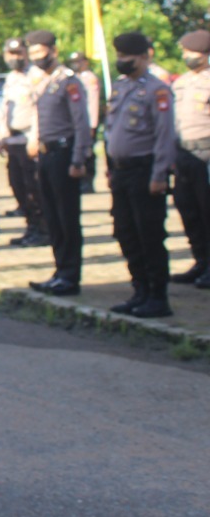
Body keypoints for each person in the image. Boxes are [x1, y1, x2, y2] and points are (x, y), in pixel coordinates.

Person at [103, 32, 176, 317]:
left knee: (149, 234)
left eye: (127, 56)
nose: (122, 61)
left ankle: (158, 297)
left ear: (145, 57)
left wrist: (159, 175)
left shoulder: (158, 90)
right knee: (126, 232)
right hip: (121, 172)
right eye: (119, 55)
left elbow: (164, 136)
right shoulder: (120, 87)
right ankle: (140, 290)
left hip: (145, 172)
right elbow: (111, 131)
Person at [26, 30, 92, 296]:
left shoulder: (69, 82)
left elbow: (81, 123)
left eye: (40, 52)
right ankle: (59, 270)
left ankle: (70, 276)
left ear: (53, 51)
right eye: (32, 53)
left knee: (67, 217)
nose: (36, 57)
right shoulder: (43, 82)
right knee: (52, 217)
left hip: (64, 154)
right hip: (46, 155)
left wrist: (79, 158)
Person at [0, 38, 49, 247]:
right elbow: (5, 108)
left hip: (29, 139)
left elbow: (39, 109)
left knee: (33, 188)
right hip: (13, 139)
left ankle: (42, 230)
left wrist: (36, 137)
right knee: (17, 185)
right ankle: (31, 227)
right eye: (11, 54)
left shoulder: (35, 76)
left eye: (18, 53)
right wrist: (2, 134)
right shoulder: (11, 78)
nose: (15, 58)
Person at [172, 29, 210, 289]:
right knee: (188, 210)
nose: (187, 56)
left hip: (206, 153)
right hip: (183, 153)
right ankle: (201, 261)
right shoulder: (181, 82)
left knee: (207, 210)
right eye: (185, 52)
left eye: (191, 52)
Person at [67, 51, 101, 192]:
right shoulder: (72, 78)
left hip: (87, 121)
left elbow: (93, 101)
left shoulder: (90, 78)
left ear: (85, 62)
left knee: (88, 152)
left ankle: (88, 181)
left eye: (78, 61)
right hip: (75, 121)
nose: (76, 64)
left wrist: (92, 124)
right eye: (73, 62)